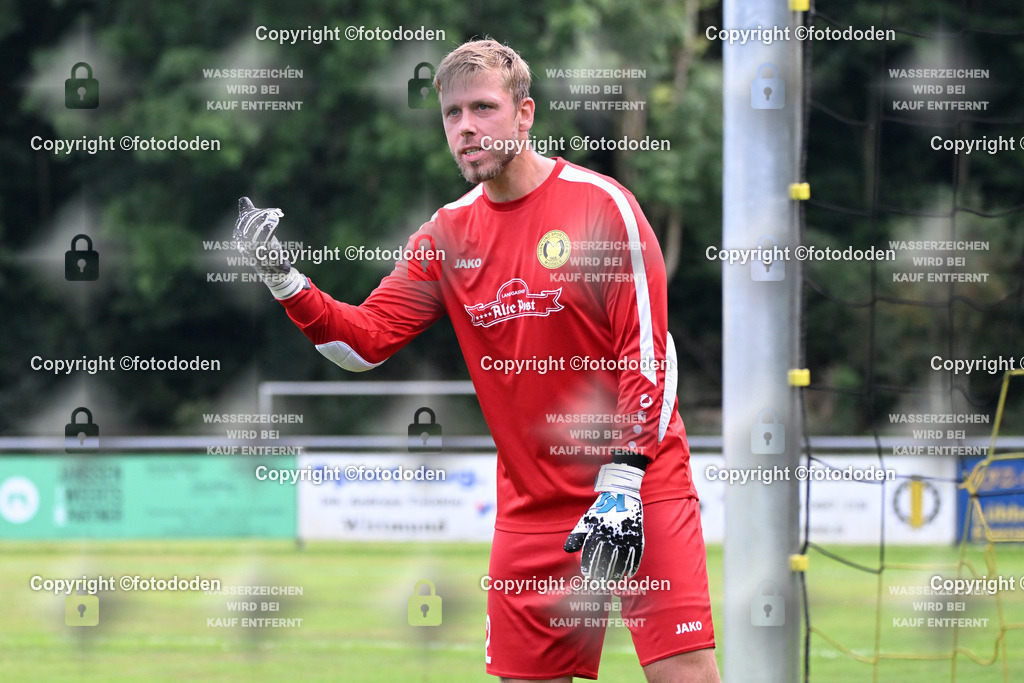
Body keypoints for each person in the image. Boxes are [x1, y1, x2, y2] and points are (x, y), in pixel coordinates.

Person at [234, 38, 719, 683]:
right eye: (452, 113)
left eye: (484, 108)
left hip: (638, 483)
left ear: (525, 113)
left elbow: (648, 355)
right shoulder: (446, 236)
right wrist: (285, 280)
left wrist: (624, 482)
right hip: (532, 506)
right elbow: (363, 344)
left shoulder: (602, 206)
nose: (466, 127)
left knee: (685, 674)